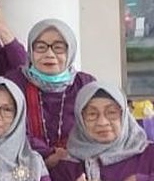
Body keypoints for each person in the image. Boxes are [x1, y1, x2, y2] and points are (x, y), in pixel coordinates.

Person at [6, 19, 94, 167]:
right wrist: (46, 156)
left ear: (70, 51)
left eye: (58, 47)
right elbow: (9, 130)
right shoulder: (14, 83)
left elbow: (95, 128)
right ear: (30, 51)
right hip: (25, 166)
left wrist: (68, 154)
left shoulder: (85, 84)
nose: (49, 54)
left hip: (77, 166)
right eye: (41, 47)